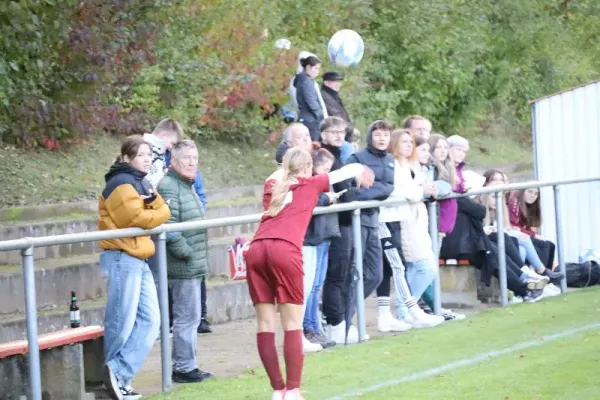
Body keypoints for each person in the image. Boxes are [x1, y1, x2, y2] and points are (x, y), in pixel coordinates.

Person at [245, 147, 374, 400]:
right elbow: (345, 171)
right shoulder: (310, 184)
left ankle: (277, 389)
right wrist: (362, 171)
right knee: (292, 324)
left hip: (257, 248)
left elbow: (282, 176)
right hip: (285, 249)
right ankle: (292, 390)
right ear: (307, 168)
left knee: (264, 324)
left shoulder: (272, 184)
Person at [98, 135, 171, 400]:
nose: (147, 159)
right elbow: (137, 219)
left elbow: (163, 211)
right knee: (121, 321)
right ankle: (110, 382)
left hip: (137, 257)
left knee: (151, 321)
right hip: (121, 257)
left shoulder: (141, 182)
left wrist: (152, 211)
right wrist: (153, 213)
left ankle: (117, 374)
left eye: (149, 155)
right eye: (141, 155)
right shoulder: (120, 183)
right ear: (127, 157)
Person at [157, 140, 214, 384]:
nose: (192, 162)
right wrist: (187, 253)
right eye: (187, 158)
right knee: (186, 318)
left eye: (195, 157)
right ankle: (183, 367)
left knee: (191, 317)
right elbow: (168, 227)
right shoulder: (170, 186)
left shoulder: (186, 184)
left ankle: (188, 365)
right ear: (174, 161)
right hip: (183, 265)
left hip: (192, 263)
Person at [377, 129, 445, 330]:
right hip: (394, 219)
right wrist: (420, 191)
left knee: (402, 268)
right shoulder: (392, 163)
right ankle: (408, 310)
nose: (409, 145)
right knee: (410, 267)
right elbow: (399, 191)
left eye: (410, 142)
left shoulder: (408, 165)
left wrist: (427, 190)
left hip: (408, 218)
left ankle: (408, 311)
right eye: (404, 141)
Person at [344, 120, 395, 340]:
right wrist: (374, 192)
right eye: (378, 135)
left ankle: (346, 312)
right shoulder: (357, 158)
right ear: (370, 137)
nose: (382, 139)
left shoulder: (391, 160)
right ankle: (342, 321)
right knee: (353, 273)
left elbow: (388, 188)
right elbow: (349, 190)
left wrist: (372, 190)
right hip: (356, 221)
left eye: (386, 135)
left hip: (373, 220)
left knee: (375, 275)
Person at [320, 116, 360, 344]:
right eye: (333, 132)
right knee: (336, 276)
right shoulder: (323, 157)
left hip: (345, 221)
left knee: (347, 275)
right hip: (335, 224)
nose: (338, 136)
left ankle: (344, 321)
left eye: (341, 132)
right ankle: (335, 322)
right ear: (323, 134)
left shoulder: (340, 157)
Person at [302, 149, 340, 350]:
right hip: (313, 237)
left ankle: (315, 327)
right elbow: (310, 200)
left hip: (325, 235)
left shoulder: (324, 181)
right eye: (324, 167)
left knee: (317, 285)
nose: (327, 171)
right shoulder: (310, 182)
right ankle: (308, 327)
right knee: (310, 286)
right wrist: (327, 198)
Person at [508, 188, 563, 281]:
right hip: (514, 235)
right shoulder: (514, 202)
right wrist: (533, 235)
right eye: (530, 192)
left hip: (521, 234)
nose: (532, 195)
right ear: (522, 192)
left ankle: (546, 277)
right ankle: (542, 275)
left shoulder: (528, 206)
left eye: (536, 194)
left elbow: (525, 227)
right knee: (543, 245)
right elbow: (514, 226)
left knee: (551, 245)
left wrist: (533, 234)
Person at [292, 55, 326, 141]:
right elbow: (311, 101)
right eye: (316, 68)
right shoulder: (307, 81)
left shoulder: (301, 79)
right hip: (310, 120)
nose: (317, 72)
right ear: (308, 67)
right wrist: (320, 115)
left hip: (305, 118)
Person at [143, 119, 185, 188]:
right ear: (164, 136)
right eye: (172, 143)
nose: (171, 148)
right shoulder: (148, 151)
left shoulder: (159, 152)